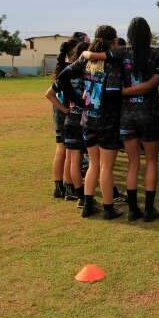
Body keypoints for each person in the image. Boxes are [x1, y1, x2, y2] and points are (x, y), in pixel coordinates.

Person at [84, 17, 159, 222]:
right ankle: (149, 209)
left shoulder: (121, 52)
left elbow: (97, 54)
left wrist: (87, 52)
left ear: (129, 34)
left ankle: (133, 210)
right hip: (150, 115)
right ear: (148, 34)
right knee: (151, 161)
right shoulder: (156, 52)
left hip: (127, 116)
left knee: (132, 163)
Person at [56, 25, 124, 219]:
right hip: (107, 122)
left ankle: (87, 205)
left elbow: (62, 77)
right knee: (106, 167)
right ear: (113, 42)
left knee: (94, 164)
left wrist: (75, 100)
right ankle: (109, 208)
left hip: (88, 120)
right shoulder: (113, 63)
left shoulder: (85, 60)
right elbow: (112, 95)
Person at [45, 40, 90, 206]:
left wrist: (65, 110)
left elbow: (49, 94)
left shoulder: (66, 73)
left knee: (71, 158)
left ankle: (75, 193)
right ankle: (82, 195)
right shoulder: (89, 74)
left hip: (70, 120)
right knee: (89, 160)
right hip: (85, 121)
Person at [46, 38, 77, 199]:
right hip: (64, 112)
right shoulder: (70, 69)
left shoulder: (61, 68)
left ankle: (59, 186)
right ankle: (68, 186)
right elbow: (49, 94)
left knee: (62, 150)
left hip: (59, 112)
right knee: (68, 151)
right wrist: (65, 109)